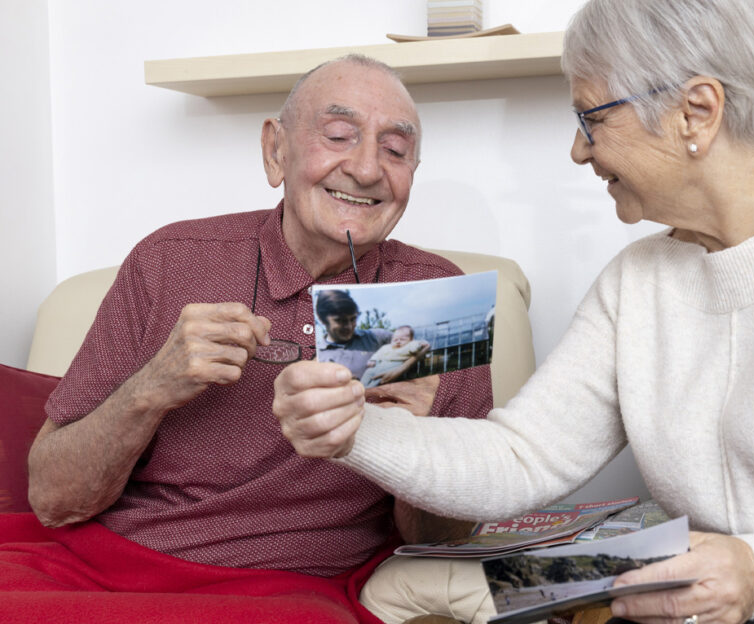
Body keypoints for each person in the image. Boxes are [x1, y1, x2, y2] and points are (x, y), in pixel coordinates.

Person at [271, 1, 754, 623]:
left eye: (591, 118)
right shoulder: (638, 281)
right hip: (708, 604)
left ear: (696, 112)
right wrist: (353, 430)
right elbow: (519, 457)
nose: (578, 150)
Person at [0, 54, 492, 622]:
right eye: (338, 135)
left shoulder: (434, 299)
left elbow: (444, 539)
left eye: (395, 151)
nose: (365, 169)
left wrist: (414, 446)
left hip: (292, 588)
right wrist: (154, 386)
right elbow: (53, 500)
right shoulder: (168, 262)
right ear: (275, 151)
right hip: (114, 564)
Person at [315, 289, 394, 378]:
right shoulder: (318, 356)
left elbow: (412, 346)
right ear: (322, 319)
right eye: (340, 321)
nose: (349, 326)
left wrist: (401, 368)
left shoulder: (377, 337)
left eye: (353, 319)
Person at [360, 326, 430, 388]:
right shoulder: (386, 347)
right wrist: (373, 360)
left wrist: (419, 345)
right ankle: (362, 386)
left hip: (395, 364)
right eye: (395, 339)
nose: (398, 341)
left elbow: (415, 347)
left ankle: (369, 390)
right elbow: (378, 354)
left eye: (402, 339)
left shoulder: (409, 346)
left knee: (380, 378)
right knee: (368, 373)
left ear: (411, 340)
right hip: (379, 364)